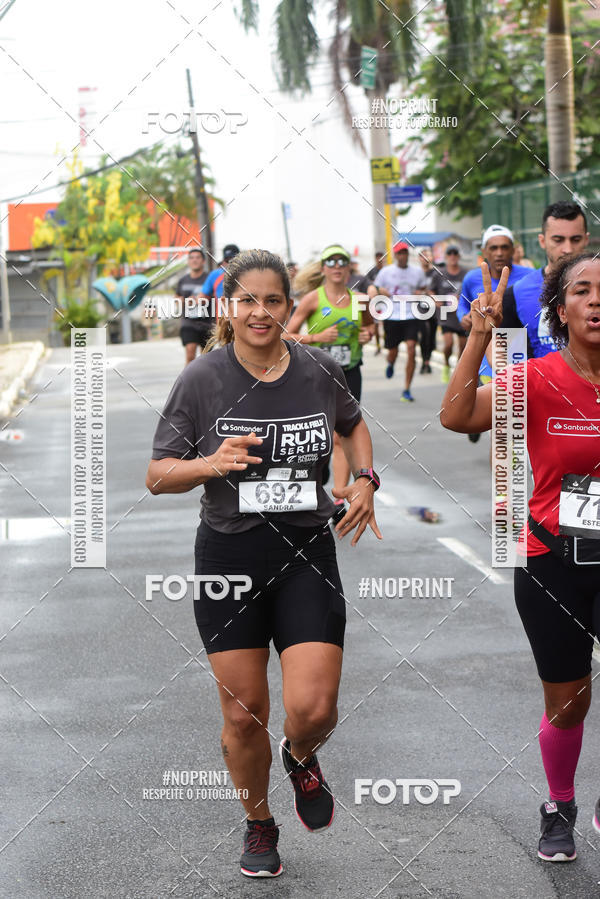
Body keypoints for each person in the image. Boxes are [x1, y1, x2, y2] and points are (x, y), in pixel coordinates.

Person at [146, 249, 382, 879]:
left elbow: (353, 427)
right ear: (229, 306)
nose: (259, 312)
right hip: (230, 557)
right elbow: (157, 475)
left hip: (306, 550)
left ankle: (301, 756)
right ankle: (258, 823)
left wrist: (363, 479)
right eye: (246, 300)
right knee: (242, 712)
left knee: (313, 707)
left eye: (271, 300)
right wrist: (210, 464)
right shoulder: (202, 381)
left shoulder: (317, 368)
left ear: (287, 304)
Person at [441, 252, 600, 864]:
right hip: (553, 558)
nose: (595, 300)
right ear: (560, 311)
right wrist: (479, 336)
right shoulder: (536, 378)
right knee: (570, 700)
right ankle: (559, 804)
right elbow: (455, 414)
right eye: (581, 291)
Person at [285, 245, 375, 516]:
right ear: (323, 268)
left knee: (342, 433)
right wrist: (316, 339)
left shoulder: (360, 300)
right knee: (318, 434)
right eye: (331, 262)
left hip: (349, 373)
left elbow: (369, 326)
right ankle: (320, 468)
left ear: (349, 268)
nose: (337, 267)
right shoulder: (313, 299)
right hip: (315, 375)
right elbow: (285, 335)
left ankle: (338, 498)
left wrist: (367, 335)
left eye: (342, 262)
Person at [457, 224, 531, 441]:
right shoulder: (472, 278)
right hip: (486, 358)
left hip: (520, 356)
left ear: (513, 250)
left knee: (514, 426)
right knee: (502, 433)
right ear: (485, 251)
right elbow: (462, 304)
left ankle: (477, 415)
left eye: (504, 247)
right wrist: (465, 317)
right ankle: (475, 416)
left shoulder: (529, 277)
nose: (499, 253)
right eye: (494, 248)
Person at [502, 202, 589, 359]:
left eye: (575, 239)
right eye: (558, 240)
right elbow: (508, 362)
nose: (567, 249)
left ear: (586, 239)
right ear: (542, 241)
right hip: (538, 383)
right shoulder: (515, 294)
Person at [374, 240, 427, 402]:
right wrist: (380, 291)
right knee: (393, 352)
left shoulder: (417, 272)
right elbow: (375, 289)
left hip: (410, 315)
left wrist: (421, 292)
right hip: (392, 316)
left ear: (407, 254)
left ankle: (406, 389)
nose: (402, 256)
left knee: (412, 349)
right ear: (395, 255)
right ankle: (390, 363)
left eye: (404, 253)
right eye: (399, 253)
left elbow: (423, 288)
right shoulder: (385, 272)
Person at [430, 245, 468, 383]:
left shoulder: (465, 274)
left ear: (458, 257)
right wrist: (434, 298)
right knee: (448, 343)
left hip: (461, 314)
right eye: (450, 254)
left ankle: (457, 371)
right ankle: (446, 364)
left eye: (455, 254)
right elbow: (431, 291)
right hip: (445, 315)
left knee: (463, 346)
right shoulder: (439, 274)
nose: (452, 256)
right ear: (446, 257)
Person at [176, 247, 209, 365]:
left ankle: (205, 382)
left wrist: (202, 300)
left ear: (203, 261)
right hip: (188, 322)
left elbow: (217, 296)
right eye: (191, 258)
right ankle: (188, 383)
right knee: (190, 355)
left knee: (206, 359)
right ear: (188, 261)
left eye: (197, 258)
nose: (194, 260)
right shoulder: (183, 280)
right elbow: (177, 298)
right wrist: (185, 301)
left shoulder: (208, 278)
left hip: (207, 322)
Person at [417, 248, 436, 374]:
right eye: (423, 256)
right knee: (423, 335)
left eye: (427, 255)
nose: (425, 258)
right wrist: (424, 292)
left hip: (434, 309)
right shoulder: (416, 274)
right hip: (419, 309)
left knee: (432, 336)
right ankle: (424, 361)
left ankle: (428, 360)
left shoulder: (435, 273)